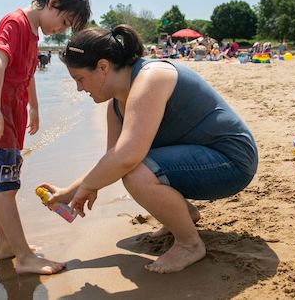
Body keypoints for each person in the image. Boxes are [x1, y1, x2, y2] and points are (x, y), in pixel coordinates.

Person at [41, 25, 258, 274]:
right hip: (204, 158)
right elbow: (112, 158)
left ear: (102, 67)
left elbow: (126, 158)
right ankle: (183, 215)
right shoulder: (116, 106)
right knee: (131, 166)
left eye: (80, 79)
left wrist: (90, 186)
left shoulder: (151, 77)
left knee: (135, 172)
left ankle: (189, 244)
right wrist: (68, 193)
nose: (80, 88)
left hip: (232, 161)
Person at [0, 0, 91, 275]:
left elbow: (29, 72)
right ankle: (23, 256)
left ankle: (6, 246)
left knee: (6, 184)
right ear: (52, 3)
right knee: (6, 188)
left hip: (12, 120)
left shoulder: (33, 34)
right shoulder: (14, 23)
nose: (61, 30)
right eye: (63, 22)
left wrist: (33, 106)